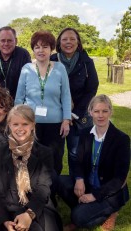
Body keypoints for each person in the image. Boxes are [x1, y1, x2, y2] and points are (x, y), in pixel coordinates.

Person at [57, 94, 130, 231]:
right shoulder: (85, 134)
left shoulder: (121, 139)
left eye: (104, 111)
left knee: (77, 217)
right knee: (58, 181)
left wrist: (95, 196)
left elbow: (119, 179)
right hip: (89, 185)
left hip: (108, 192)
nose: (100, 115)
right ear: (90, 112)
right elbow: (77, 161)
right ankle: (85, 209)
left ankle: (110, 212)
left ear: (110, 112)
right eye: (96, 111)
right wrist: (79, 179)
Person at [0, 105, 62, 231]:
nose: (20, 129)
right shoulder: (0, 152)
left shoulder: (44, 153)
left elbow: (43, 188)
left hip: (37, 206)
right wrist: (5, 221)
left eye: (25, 124)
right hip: (7, 209)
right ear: (9, 125)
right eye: (15, 124)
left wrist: (29, 214)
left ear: (33, 125)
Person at [15, 30, 71, 176]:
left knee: (54, 160)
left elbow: (66, 95)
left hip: (55, 125)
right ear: (33, 49)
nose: (41, 50)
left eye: (45, 47)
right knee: (32, 158)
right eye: (37, 47)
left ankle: (52, 191)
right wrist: (17, 121)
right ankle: (34, 191)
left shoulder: (60, 69)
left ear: (51, 48)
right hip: (31, 124)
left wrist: (66, 120)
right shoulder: (26, 69)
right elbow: (19, 98)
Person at [50, 27, 99, 177]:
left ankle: (77, 185)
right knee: (53, 154)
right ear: (59, 42)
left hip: (79, 116)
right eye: (64, 39)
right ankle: (53, 188)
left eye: (72, 39)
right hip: (55, 115)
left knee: (76, 153)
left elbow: (91, 88)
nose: (68, 42)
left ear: (78, 42)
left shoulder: (86, 62)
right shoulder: (52, 60)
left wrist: (73, 114)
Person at [0, 26, 31, 99]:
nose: (6, 44)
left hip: (17, 101)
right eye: (3, 40)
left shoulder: (23, 55)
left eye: (9, 40)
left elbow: (28, 81)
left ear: (16, 41)